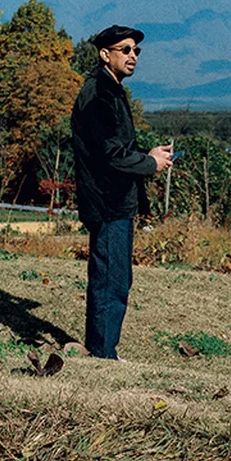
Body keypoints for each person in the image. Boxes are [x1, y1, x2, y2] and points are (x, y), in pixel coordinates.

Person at [71, 25, 172, 360]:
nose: (133, 57)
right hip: (108, 201)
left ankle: (103, 348)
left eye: (136, 51)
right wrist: (149, 163)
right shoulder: (99, 94)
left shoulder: (110, 90)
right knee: (111, 278)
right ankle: (102, 353)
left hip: (115, 200)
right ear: (105, 54)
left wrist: (148, 156)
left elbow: (114, 147)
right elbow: (108, 155)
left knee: (115, 276)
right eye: (125, 50)